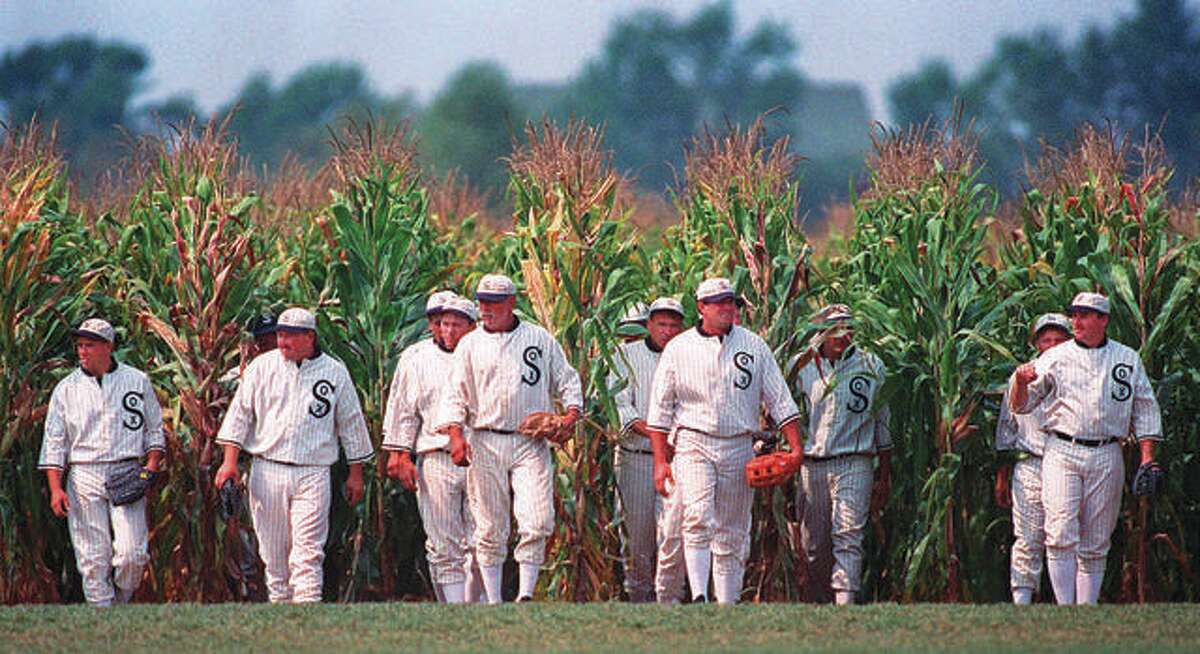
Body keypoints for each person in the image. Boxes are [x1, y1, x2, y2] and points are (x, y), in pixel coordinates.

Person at [646, 277, 804, 604]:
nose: (727, 308)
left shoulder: (753, 345)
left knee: (732, 529)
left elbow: (780, 399)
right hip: (693, 440)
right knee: (698, 516)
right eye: (718, 302)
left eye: (730, 301)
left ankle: (726, 604)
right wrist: (661, 461)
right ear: (701, 307)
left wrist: (797, 448)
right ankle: (701, 594)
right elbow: (659, 411)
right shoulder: (679, 348)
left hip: (738, 443)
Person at [436, 273, 583, 603]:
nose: (485, 309)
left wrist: (571, 415)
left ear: (512, 303)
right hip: (485, 439)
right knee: (488, 525)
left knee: (537, 518)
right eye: (482, 302)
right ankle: (493, 599)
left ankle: (526, 594)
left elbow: (568, 381)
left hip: (529, 440)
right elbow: (454, 395)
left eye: (493, 302)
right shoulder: (470, 344)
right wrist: (455, 435)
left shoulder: (539, 339)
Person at [213, 307, 374, 603]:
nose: (282, 341)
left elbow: (351, 423)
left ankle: (308, 616)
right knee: (274, 557)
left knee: (308, 554)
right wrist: (229, 462)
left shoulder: (334, 372)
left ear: (309, 337)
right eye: (280, 334)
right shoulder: (262, 368)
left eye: (289, 336)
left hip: (313, 471)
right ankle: (284, 620)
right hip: (267, 468)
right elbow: (239, 415)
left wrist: (356, 474)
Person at [1010, 292, 1162, 604]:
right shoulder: (1054, 357)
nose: (1076, 321)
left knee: (1096, 539)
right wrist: (1022, 383)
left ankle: (1087, 608)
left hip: (1108, 451)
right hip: (1062, 449)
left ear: (1103, 320)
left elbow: (1145, 408)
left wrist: (1147, 457)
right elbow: (1022, 406)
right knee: (1060, 532)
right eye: (1074, 315)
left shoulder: (1126, 358)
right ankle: (1066, 609)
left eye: (1084, 315)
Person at [39, 318, 165, 606]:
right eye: (80, 345)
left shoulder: (136, 380)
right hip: (84, 473)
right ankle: (102, 616)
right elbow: (55, 442)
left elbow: (155, 428)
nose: (82, 351)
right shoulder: (66, 389)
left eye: (90, 345)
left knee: (133, 554)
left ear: (108, 347)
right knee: (93, 557)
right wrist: (56, 488)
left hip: (127, 469)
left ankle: (118, 604)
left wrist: (151, 467)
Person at [383, 294, 483, 604]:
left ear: (471, 326)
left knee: (481, 540)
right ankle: (454, 608)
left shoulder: (486, 353)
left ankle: (478, 606)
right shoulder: (416, 358)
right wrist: (398, 455)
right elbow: (403, 409)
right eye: (441, 323)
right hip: (435, 456)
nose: (446, 330)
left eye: (455, 324)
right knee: (443, 543)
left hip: (482, 455)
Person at [793, 304, 892, 605]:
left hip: (855, 460)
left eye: (848, 328)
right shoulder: (802, 366)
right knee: (814, 545)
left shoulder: (871, 365)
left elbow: (882, 421)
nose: (842, 335)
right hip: (812, 464)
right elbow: (782, 411)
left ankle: (844, 603)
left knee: (848, 534)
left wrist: (884, 474)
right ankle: (822, 602)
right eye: (835, 329)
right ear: (820, 333)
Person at [608, 296, 685, 602]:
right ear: (648, 325)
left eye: (673, 325)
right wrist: (658, 438)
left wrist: (673, 443)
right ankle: (639, 599)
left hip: (678, 459)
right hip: (635, 459)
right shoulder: (624, 356)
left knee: (673, 532)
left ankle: (672, 599)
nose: (667, 331)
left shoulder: (688, 355)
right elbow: (621, 409)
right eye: (661, 324)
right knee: (637, 537)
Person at [995, 312, 1072, 605]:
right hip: (1030, 462)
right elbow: (1007, 428)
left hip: (1066, 460)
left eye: (1059, 339)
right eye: (1046, 339)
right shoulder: (1021, 376)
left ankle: (1069, 601)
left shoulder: (1079, 374)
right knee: (1027, 534)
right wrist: (1002, 474)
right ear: (1036, 342)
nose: (1051, 345)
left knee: (1064, 533)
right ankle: (1022, 599)